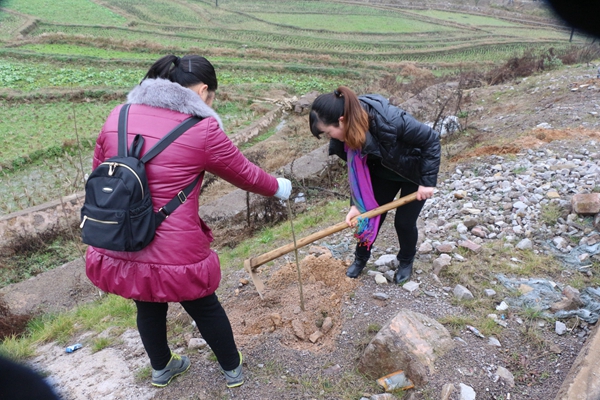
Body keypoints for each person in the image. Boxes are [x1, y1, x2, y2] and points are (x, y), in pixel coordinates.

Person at [85, 54, 292, 389]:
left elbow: (99, 171)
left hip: (122, 235)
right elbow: (245, 174)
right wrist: (279, 187)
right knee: (203, 304)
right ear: (204, 90)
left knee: (147, 303)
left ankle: (162, 368)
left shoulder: (118, 115)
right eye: (211, 97)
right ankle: (232, 369)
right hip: (172, 241)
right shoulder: (202, 128)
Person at [309, 86, 440, 284]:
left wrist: (427, 183)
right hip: (384, 173)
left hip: (413, 173)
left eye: (328, 132)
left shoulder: (389, 120)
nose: (330, 138)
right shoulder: (345, 138)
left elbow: (431, 141)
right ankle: (360, 259)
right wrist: (356, 204)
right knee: (367, 217)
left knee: (404, 223)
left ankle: (405, 260)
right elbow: (357, 175)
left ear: (341, 120)